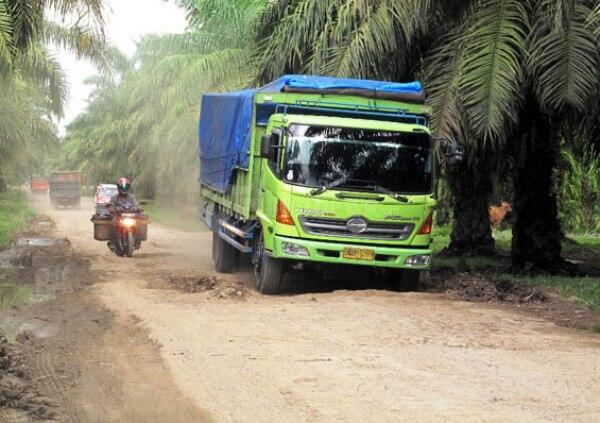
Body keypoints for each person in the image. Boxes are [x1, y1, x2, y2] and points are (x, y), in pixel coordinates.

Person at [106, 177, 140, 252]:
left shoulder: (131, 197)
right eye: (122, 187)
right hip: (118, 217)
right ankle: (112, 242)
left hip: (130, 216)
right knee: (113, 223)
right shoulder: (114, 197)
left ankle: (137, 240)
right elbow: (111, 205)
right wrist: (111, 208)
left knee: (138, 223)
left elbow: (136, 204)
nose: (124, 189)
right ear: (118, 187)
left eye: (126, 187)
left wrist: (137, 207)